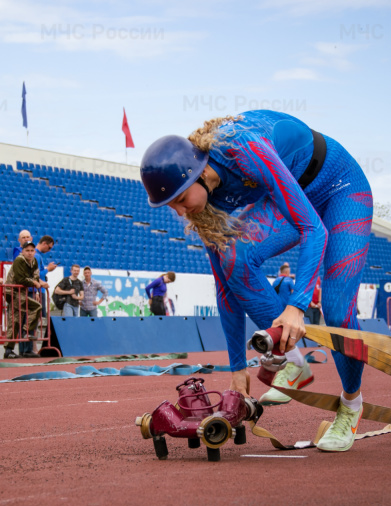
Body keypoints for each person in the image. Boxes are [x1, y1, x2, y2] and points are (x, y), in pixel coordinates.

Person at [140, 110, 373, 452]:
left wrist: (296, 307)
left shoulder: (243, 149)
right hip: (295, 193)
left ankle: (351, 405)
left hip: (340, 187)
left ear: (201, 173)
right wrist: (237, 368)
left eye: (180, 199)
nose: (179, 211)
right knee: (234, 259)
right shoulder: (205, 204)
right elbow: (224, 285)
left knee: (337, 310)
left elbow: (313, 229)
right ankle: (291, 361)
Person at [2, 241, 47, 359]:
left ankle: (21, 348)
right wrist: (34, 282)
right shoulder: (19, 260)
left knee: (17, 319)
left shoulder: (34, 261)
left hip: (21, 293)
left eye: (32, 250)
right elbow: (21, 278)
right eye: (27, 250)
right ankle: (22, 336)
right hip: (12, 292)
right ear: (22, 251)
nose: (30, 253)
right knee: (29, 311)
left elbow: (36, 276)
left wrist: (36, 284)